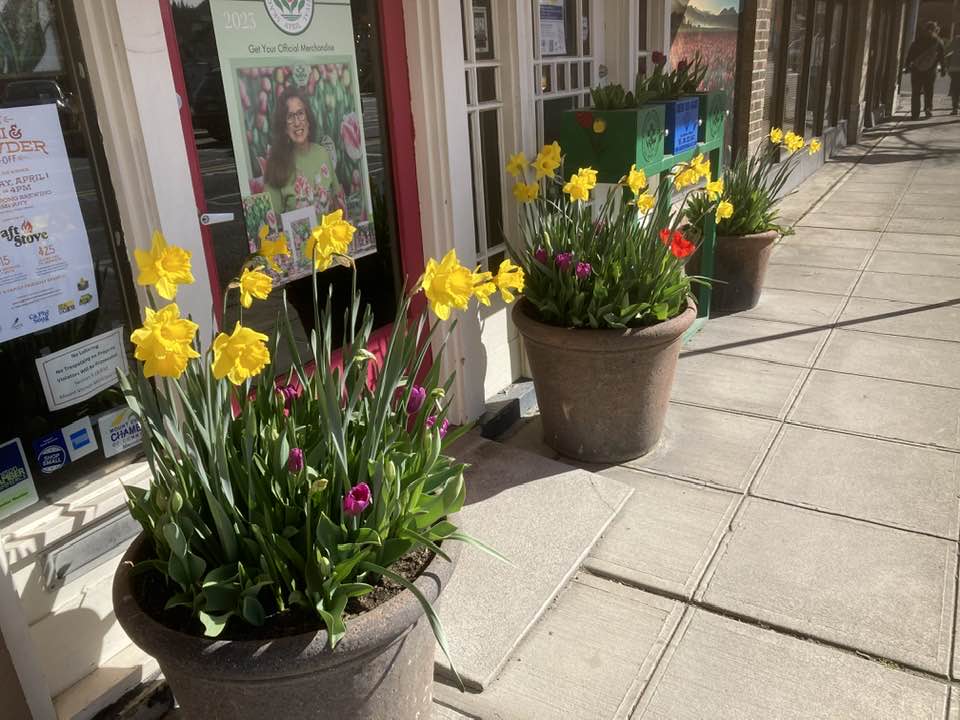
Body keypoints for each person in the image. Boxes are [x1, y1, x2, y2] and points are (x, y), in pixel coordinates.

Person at [264, 86, 342, 214]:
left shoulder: (322, 154)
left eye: (300, 113)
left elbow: (338, 204)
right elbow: (271, 221)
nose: (297, 122)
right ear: (284, 127)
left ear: (308, 119)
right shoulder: (276, 166)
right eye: (290, 117)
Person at [904, 21, 946, 120]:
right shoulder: (938, 42)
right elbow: (941, 57)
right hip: (931, 71)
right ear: (936, 30)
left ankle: (915, 114)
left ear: (925, 29)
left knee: (916, 92)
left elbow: (910, 54)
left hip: (916, 70)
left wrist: (907, 66)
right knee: (929, 91)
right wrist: (943, 69)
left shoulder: (918, 40)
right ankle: (928, 109)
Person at [948, 32, 960, 115]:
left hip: (955, 68)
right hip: (954, 68)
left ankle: (955, 108)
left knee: (955, 88)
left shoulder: (956, 39)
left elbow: (948, 51)